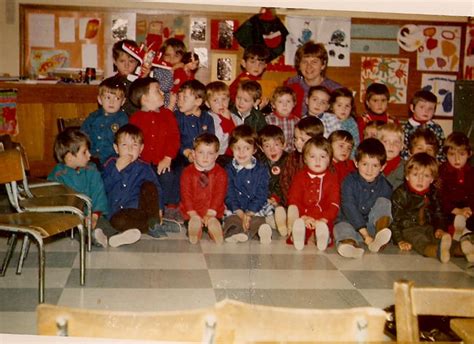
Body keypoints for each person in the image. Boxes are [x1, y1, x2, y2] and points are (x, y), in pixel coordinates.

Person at [48, 128, 140, 248]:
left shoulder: (91, 169)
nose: (90, 155)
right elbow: (52, 198)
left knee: (104, 223)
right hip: (72, 217)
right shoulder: (58, 175)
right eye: (85, 152)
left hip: (93, 213)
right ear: (70, 157)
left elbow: (98, 192)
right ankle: (96, 238)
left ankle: (115, 237)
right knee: (79, 230)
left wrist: (95, 214)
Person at [391, 153, 473, 263]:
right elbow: (395, 220)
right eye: (415, 175)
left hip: (428, 227)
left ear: (432, 179)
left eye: (426, 176)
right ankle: (438, 252)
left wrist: (440, 228)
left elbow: (439, 213)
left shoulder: (433, 193)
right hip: (408, 229)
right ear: (407, 176)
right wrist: (399, 240)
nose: (420, 180)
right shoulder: (401, 194)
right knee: (421, 241)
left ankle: (464, 249)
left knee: (441, 238)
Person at [102, 124, 179, 241]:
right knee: (117, 222)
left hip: (138, 211)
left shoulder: (144, 167)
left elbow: (156, 189)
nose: (129, 149)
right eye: (124, 145)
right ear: (116, 148)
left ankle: (153, 222)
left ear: (141, 149)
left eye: (134, 145)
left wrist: (159, 209)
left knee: (149, 185)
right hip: (117, 213)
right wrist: (116, 170)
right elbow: (103, 188)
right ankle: (152, 226)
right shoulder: (110, 164)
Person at [334, 138, 393, 259]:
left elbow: (383, 210)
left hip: (372, 227)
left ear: (382, 167)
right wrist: (365, 235)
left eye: (375, 165)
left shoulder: (385, 185)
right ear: (356, 163)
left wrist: (372, 233)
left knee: (384, 202)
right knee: (341, 228)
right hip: (350, 223)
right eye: (365, 164)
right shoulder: (349, 181)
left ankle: (379, 236)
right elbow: (349, 207)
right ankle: (349, 245)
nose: (369, 170)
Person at [128, 77, 180, 208]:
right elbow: (132, 140)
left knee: (167, 177)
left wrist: (168, 158)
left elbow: (174, 138)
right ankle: (142, 206)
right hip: (142, 162)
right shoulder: (135, 119)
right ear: (144, 99)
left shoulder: (167, 115)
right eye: (157, 90)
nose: (162, 93)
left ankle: (168, 207)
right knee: (138, 180)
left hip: (162, 160)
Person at [287, 136, 340, 251]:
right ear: (305, 159)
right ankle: (298, 236)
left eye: (322, 156)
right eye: (312, 156)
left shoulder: (332, 179)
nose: (318, 161)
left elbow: (334, 203)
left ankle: (322, 237)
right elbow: (294, 199)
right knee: (299, 224)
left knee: (327, 227)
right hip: (304, 214)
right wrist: (304, 217)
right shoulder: (300, 177)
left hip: (323, 216)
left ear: (329, 159)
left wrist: (323, 219)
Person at [223, 124, 272, 244]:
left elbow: (262, 193)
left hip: (255, 209)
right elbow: (229, 193)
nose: (241, 152)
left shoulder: (261, 169)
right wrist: (239, 212)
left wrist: (250, 212)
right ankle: (234, 233)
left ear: (254, 150)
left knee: (258, 221)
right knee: (232, 220)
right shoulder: (228, 170)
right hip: (236, 208)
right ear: (231, 148)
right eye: (237, 148)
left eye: (247, 148)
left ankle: (261, 232)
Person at [179, 133, 227, 244]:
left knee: (214, 220)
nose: (205, 157)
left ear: (216, 155)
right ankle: (195, 231)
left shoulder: (220, 173)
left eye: (210, 153)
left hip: (213, 212)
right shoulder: (187, 173)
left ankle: (214, 228)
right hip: (192, 212)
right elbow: (186, 194)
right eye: (201, 152)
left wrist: (211, 212)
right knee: (191, 220)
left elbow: (219, 194)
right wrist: (192, 213)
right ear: (194, 154)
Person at [285, 41, 342, 117]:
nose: (309, 66)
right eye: (305, 62)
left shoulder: (335, 90)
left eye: (314, 62)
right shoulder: (290, 85)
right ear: (299, 65)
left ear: (323, 65)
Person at [81, 77, 128, 166]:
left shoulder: (123, 120)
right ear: (99, 99)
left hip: (113, 161)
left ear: (123, 101)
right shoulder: (93, 117)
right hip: (91, 159)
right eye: (107, 97)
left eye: (117, 98)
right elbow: (82, 137)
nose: (112, 102)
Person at [279, 116, 325, 205]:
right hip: (293, 200)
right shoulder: (292, 157)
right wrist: (291, 199)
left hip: (316, 202)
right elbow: (284, 181)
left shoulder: (323, 160)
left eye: (303, 140)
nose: (297, 143)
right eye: (296, 138)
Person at [439, 132, 473, 241]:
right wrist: (455, 210)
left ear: (469, 154)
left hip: (468, 210)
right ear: (446, 154)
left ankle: (467, 233)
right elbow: (440, 195)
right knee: (443, 218)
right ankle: (457, 232)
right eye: (452, 154)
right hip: (449, 210)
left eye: (462, 154)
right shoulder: (442, 171)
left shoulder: (471, 172)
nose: (457, 159)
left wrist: (470, 208)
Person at [401, 90, 445, 161]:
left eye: (430, 109)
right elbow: (403, 151)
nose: (426, 111)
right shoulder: (404, 128)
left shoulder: (437, 128)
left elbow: (441, 150)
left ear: (434, 111)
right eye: (422, 107)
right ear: (412, 108)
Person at [205, 81, 239, 164]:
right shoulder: (207, 118)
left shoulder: (234, 117)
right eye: (215, 100)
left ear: (229, 100)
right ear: (208, 103)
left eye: (224, 99)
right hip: (213, 156)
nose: (221, 104)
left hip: (233, 155)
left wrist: (228, 121)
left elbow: (238, 137)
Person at [258, 125, 288, 209]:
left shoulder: (288, 161)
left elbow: (287, 185)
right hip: (266, 200)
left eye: (276, 145)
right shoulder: (260, 162)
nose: (272, 150)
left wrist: (276, 198)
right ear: (261, 148)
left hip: (283, 200)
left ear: (284, 145)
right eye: (267, 146)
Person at [110, 39, 141, 116]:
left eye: (131, 61)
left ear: (138, 62)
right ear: (115, 61)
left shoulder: (141, 82)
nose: (126, 65)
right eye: (122, 61)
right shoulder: (110, 83)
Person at [265, 86, 299, 152]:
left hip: (291, 153)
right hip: (274, 151)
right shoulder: (268, 120)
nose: (285, 105)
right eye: (280, 102)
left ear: (294, 103)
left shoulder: (297, 121)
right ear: (273, 104)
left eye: (288, 101)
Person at [328, 87, 360, 157]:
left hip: (346, 158)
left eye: (347, 106)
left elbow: (355, 145)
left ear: (351, 108)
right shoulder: (327, 119)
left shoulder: (351, 123)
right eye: (339, 105)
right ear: (331, 106)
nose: (343, 109)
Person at [378, 123, 405, 190]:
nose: (391, 145)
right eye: (386, 141)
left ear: (402, 146)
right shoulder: (372, 164)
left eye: (396, 142)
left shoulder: (406, 167)